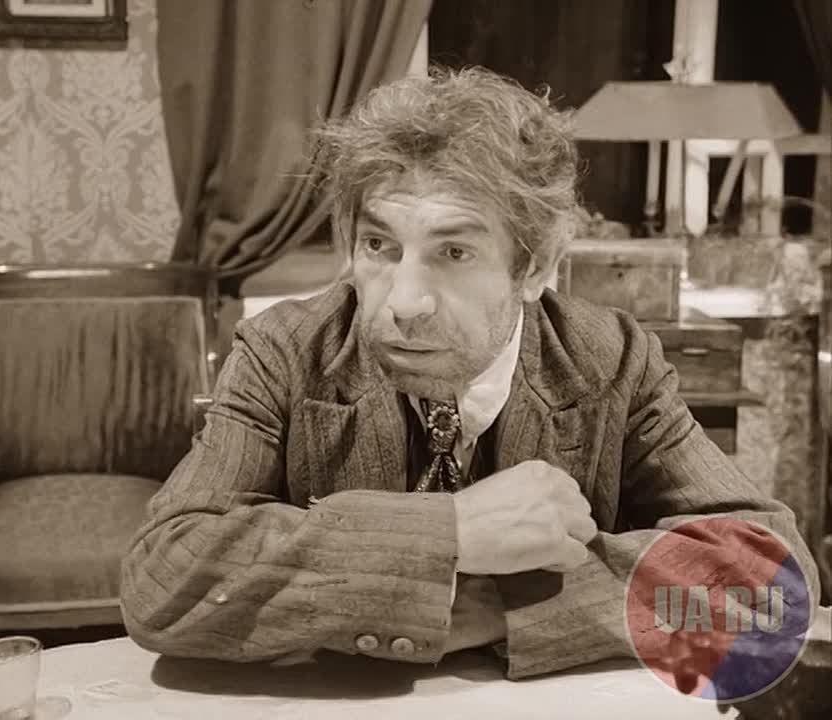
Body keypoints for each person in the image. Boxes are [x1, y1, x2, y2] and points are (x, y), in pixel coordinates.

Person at [120, 67, 818, 679]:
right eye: (379, 245)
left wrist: (498, 608)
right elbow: (164, 578)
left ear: (535, 267)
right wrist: (451, 531)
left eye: (453, 253)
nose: (404, 303)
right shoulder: (285, 350)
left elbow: (774, 577)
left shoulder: (613, 360)